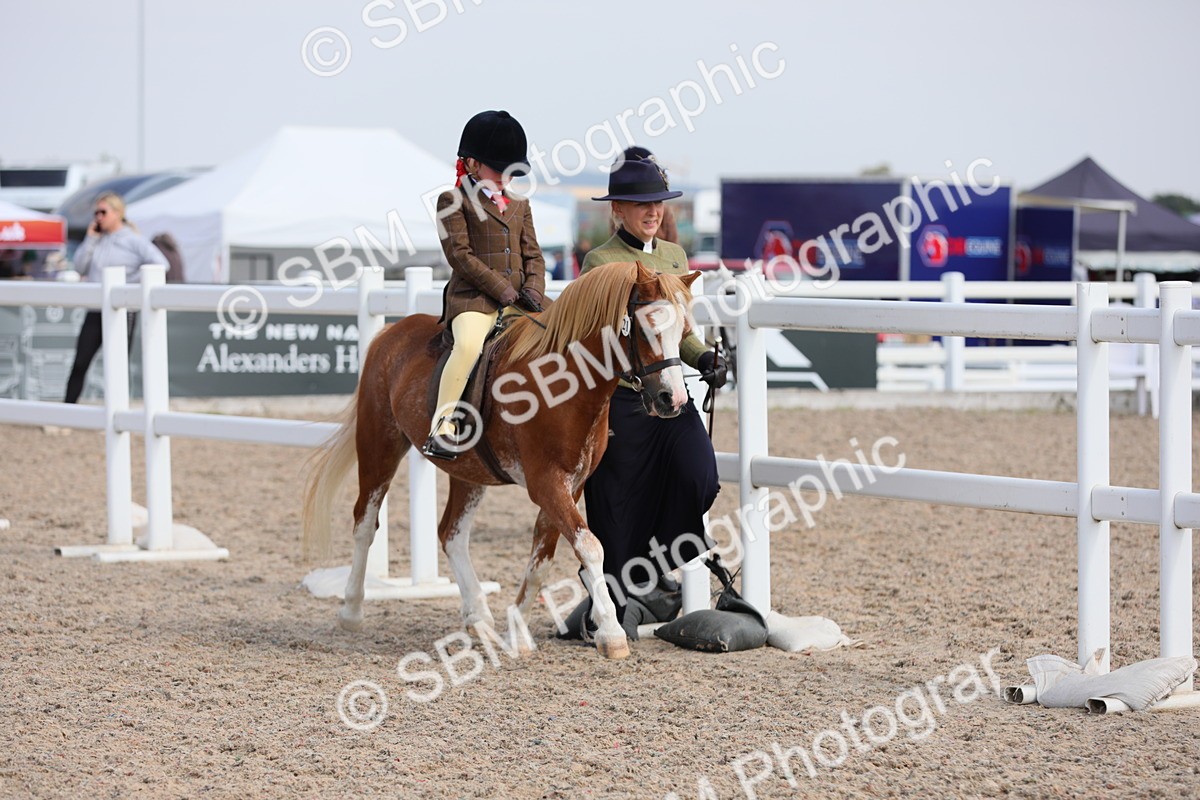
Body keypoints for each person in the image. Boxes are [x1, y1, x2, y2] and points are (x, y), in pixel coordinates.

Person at [575, 149, 728, 632]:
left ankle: (661, 566)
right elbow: (597, 338)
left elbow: (679, 331)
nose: (653, 211)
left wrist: (702, 356)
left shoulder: (675, 258)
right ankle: (613, 608)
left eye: (658, 202)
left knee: (699, 473)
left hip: (671, 393)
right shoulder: (601, 262)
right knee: (617, 515)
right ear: (616, 210)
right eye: (641, 204)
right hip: (621, 400)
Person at [423, 110, 546, 461]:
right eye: (498, 169)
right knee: (468, 347)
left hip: (523, 299)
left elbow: (534, 255)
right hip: (474, 300)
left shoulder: (520, 205)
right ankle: (443, 425)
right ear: (473, 164)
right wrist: (503, 290)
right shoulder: (452, 201)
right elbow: (460, 257)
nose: (506, 177)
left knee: (565, 333)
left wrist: (534, 289)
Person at [64, 191, 166, 404]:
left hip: (123, 311)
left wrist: (131, 282)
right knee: (80, 362)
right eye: (96, 213)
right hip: (95, 310)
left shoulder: (133, 240)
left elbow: (161, 264)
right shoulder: (97, 240)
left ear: (118, 213)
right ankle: (67, 412)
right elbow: (80, 266)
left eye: (103, 212)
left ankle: (117, 415)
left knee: (118, 365)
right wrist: (90, 239)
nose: (98, 217)